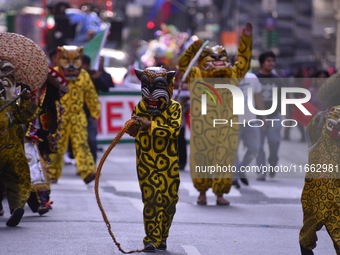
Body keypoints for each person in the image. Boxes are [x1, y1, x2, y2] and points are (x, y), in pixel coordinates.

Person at [177, 22, 253, 205]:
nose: (217, 59)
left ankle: (220, 194)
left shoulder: (233, 75)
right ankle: (202, 192)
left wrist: (246, 39)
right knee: (201, 157)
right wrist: (191, 50)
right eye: (212, 56)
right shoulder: (196, 75)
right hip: (203, 125)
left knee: (225, 158)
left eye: (221, 56)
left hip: (227, 125)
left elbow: (244, 61)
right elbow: (182, 66)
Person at [126, 67, 181, 252]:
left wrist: (150, 125)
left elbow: (173, 131)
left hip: (169, 163)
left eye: (157, 87)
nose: (150, 93)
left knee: (169, 200)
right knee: (151, 198)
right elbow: (132, 130)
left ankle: (162, 236)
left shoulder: (175, 107)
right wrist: (132, 127)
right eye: (146, 86)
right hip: (146, 161)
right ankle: (151, 239)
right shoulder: (140, 107)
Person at [0, 32, 50, 226]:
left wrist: (28, 102)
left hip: (13, 147)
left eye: (8, 72)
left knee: (18, 179)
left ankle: (16, 208)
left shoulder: (15, 97)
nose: (4, 76)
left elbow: (24, 117)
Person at [299, 71, 340, 255]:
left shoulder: (321, 117)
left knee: (312, 224)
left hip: (320, 184)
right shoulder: (330, 117)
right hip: (327, 184)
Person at [48, 45, 100, 184]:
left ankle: (87, 171)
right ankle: (52, 172)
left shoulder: (83, 75)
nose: (71, 64)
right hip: (59, 116)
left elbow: (91, 95)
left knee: (81, 143)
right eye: (66, 59)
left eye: (75, 59)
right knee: (57, 145)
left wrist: (95, 112)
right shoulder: (55, 74)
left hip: (78, 115)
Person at [255, 51, 286, 181]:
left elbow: (283, 98)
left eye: (273, 61)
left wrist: (287, 116)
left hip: (274, 116)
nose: (271, 63)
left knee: (274, 143)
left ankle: (273, 162)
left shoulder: (278, 80)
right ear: (262, 63)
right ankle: (261, 171)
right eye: (268, 61)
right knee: (259, 145)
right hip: (257, 117)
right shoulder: (255, 78)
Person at [233, 70, 265, 188]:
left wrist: (263, 116)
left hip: (251, 120)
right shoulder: (228, 77)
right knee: (233, 151)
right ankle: (234, 177)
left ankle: (241, 170)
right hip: (233, 121)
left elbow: (258, 97)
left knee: (255, 148)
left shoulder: (252, 77)